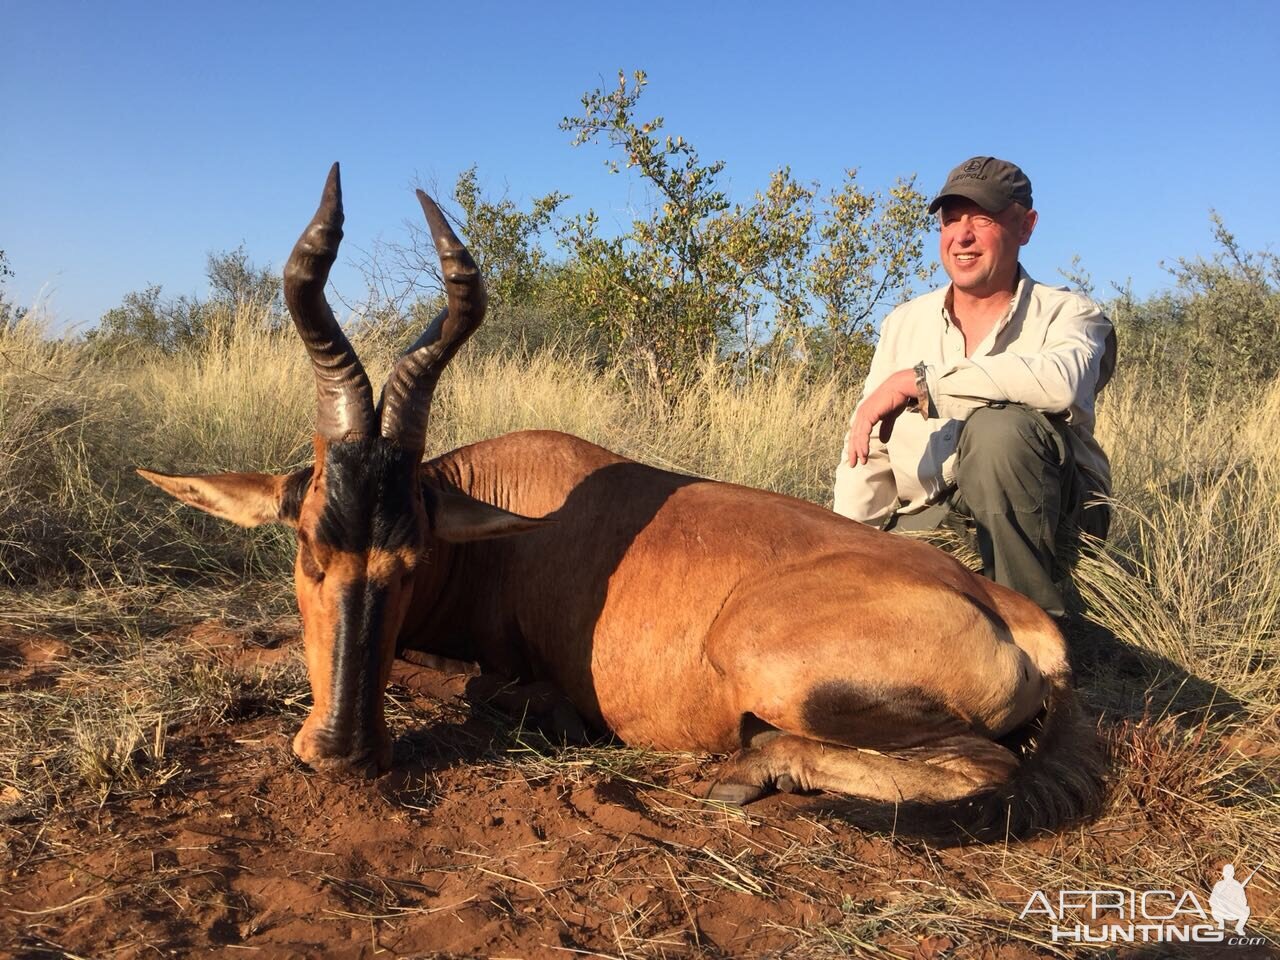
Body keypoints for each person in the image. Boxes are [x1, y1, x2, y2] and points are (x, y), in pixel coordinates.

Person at [833, 156, 1115, 617]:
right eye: (950, 219)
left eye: (981, 219)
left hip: (1052, 519)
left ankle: (1034, 632)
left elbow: (1062, 384)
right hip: (932, 516)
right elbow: (868, 455)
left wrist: (924, 384)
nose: (961, 236)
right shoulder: (903, 322)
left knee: (1000, 431)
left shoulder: (1070, 313)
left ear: (1025, 226)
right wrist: (845, 551)